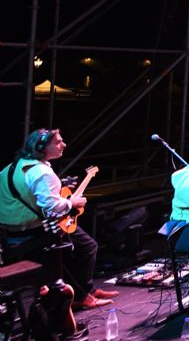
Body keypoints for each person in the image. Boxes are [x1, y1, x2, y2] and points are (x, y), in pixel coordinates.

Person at [0, 129, 118, 310]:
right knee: (87, 246)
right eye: (58, 142)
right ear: (42, 147)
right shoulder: (41, 172)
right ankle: (82, 296)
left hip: (12, 231)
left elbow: (26, 192)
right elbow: (52, 206)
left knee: (76, 245)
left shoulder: (13, 167)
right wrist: (73, 203)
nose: (64, 144)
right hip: (34, 230)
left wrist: (60, 185)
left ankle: (87, 290)